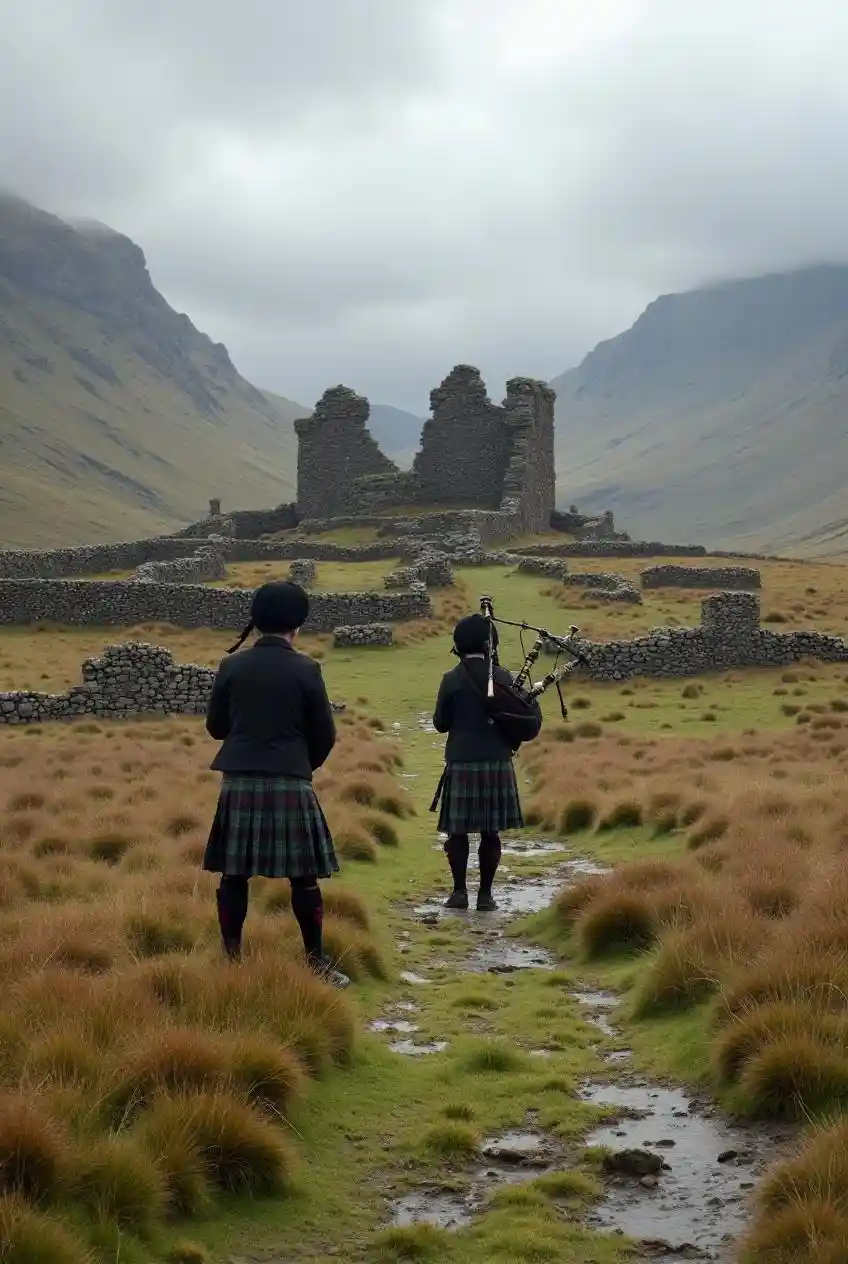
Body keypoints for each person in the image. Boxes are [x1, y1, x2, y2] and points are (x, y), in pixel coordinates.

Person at [202, 580, 350, 988]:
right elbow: (325, 735)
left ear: (257, 620)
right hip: (291, 781)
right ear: (297, 625)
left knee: (234, 876)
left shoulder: (232, 667)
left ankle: (231, 959)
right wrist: (301, 766)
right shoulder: (307, 669)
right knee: (304, 877)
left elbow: (216, 728)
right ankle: (316, 962)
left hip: (239, 781)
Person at [431, 613, 525, 912]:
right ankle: (485, 896)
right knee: (490, 832)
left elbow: (440, 724)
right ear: (491, 644)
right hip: (497, 762)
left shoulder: (452, 679)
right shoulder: (504, 677)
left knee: (457, 832)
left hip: (462, 762)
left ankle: (459, 892)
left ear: (458, 644)